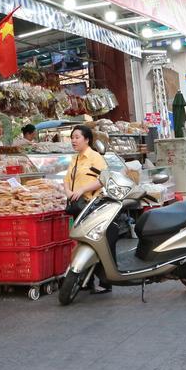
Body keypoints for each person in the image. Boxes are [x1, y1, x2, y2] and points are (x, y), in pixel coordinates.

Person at [64, 125, 111, 292]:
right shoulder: (75, 159)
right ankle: (85, 280)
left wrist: (83, 190)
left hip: (92, 205)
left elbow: (103, 179)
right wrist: (69, 192)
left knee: (94, 241)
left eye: (77, 137)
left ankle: (105, 281)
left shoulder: (95, 157)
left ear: (87, 139)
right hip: (78, 207)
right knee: (81, 242)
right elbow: (67, 179)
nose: (73, 140)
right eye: (72, 137)